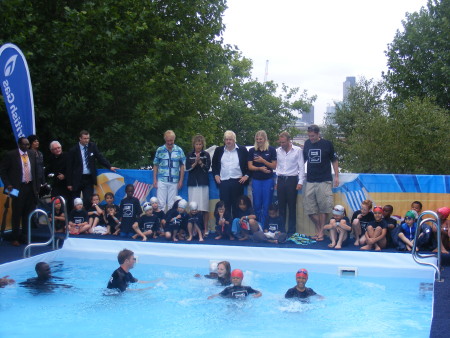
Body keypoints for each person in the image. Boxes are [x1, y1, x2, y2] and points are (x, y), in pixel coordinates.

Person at [0, 137, 39, 246]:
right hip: (18, 187)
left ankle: (25, 236)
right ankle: (15, 237)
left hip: (30, 187)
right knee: (17, 213)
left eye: (27, 145)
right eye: (24, 145)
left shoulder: (31, 154)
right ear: (19, 145)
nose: (26, 147)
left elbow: (36, 171)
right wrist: (8, 184)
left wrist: (37, 187)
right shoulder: (11, 155)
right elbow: (3, 171)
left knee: (28, 213)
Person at [303, 125, 339, 241]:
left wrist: (337, 176)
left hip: (324, 179)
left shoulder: (327, 144)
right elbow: (302, 160)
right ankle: (320, 229)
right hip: (310, 180)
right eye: (309, 136)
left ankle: (321, 233)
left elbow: (334, 160)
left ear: (318, 134)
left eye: (313, 136)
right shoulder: (307, 144)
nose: (311, 138)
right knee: (309, 209)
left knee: (324, 208)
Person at [66, 130, 118, 210]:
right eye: (84, 138)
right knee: (75, 199)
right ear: (80, 138)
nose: (86, 140)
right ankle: (74, 218)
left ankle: (87, 217)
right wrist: (69, 183)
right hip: (77, 178)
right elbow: (69, 167)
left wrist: (109, 166)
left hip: (89, 178)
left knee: (88, 199)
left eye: (88, 138)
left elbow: (100, 157)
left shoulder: (92, 146)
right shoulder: (73, 150)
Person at [212, 130, 249, 219]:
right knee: (225, 206)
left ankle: (237, 229)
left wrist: (246, 175)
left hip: (238, 181)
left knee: (237, 206)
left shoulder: (242, 150)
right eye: (226, 139)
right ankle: (226, 229)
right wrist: (216, 175)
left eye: (230, 139)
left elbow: (249, 164)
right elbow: (214, 165)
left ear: (234, 140)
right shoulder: (219, 150)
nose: (228, 141)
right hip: (223, 182)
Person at [275, 131, 305, 235]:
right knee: (281, 207)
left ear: (289, 141)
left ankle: (292, 231)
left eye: (284, 142)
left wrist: (300, 182)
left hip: (292, 180)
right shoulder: (278, 151)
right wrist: (276, 181)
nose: (282, 144)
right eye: (280, 142)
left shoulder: (297, 150)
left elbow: (301, 167)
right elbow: (277, 167)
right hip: (281, 179)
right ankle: (282, 230)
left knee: (292, 207)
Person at [248, 130, 277, 227]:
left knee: (266, 204)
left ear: (265, 139)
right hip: (256, 180)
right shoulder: (252, 150)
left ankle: (265, 226)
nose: (259, 141)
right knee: (257, 204)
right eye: (257, 139)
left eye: (260, 139)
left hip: (268, 180)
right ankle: (257, 226)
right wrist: (259, 168)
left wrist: (263, 161)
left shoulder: (271, 150)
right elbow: (250, 166)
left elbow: (274, 166)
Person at [153, 130, 186, 211]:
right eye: (168, 141)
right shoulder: (160, 150)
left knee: (172, 204)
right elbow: (155, 165)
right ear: (165, 140)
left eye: (171, 140)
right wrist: (154, 180)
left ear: (174, 139)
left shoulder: (179, 150)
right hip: (162, 180)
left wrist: (181, 180)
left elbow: (182, 165)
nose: (170, 142)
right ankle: (160, 222)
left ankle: (170, 222)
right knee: (161, 204)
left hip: (174, 181)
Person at [185, 134, 211, 235]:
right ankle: (193, 230)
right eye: (197, 144)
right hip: (192, 184)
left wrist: (200, 162)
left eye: (200, 144)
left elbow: (207, 168)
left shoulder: (206, 155)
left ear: (202, 145)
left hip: (203, 183)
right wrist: (195, 163)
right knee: (193, 208)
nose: (198, 146)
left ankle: (205, 229)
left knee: (204, 208)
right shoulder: (189, 154)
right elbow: (188, 168)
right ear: (194, 144)